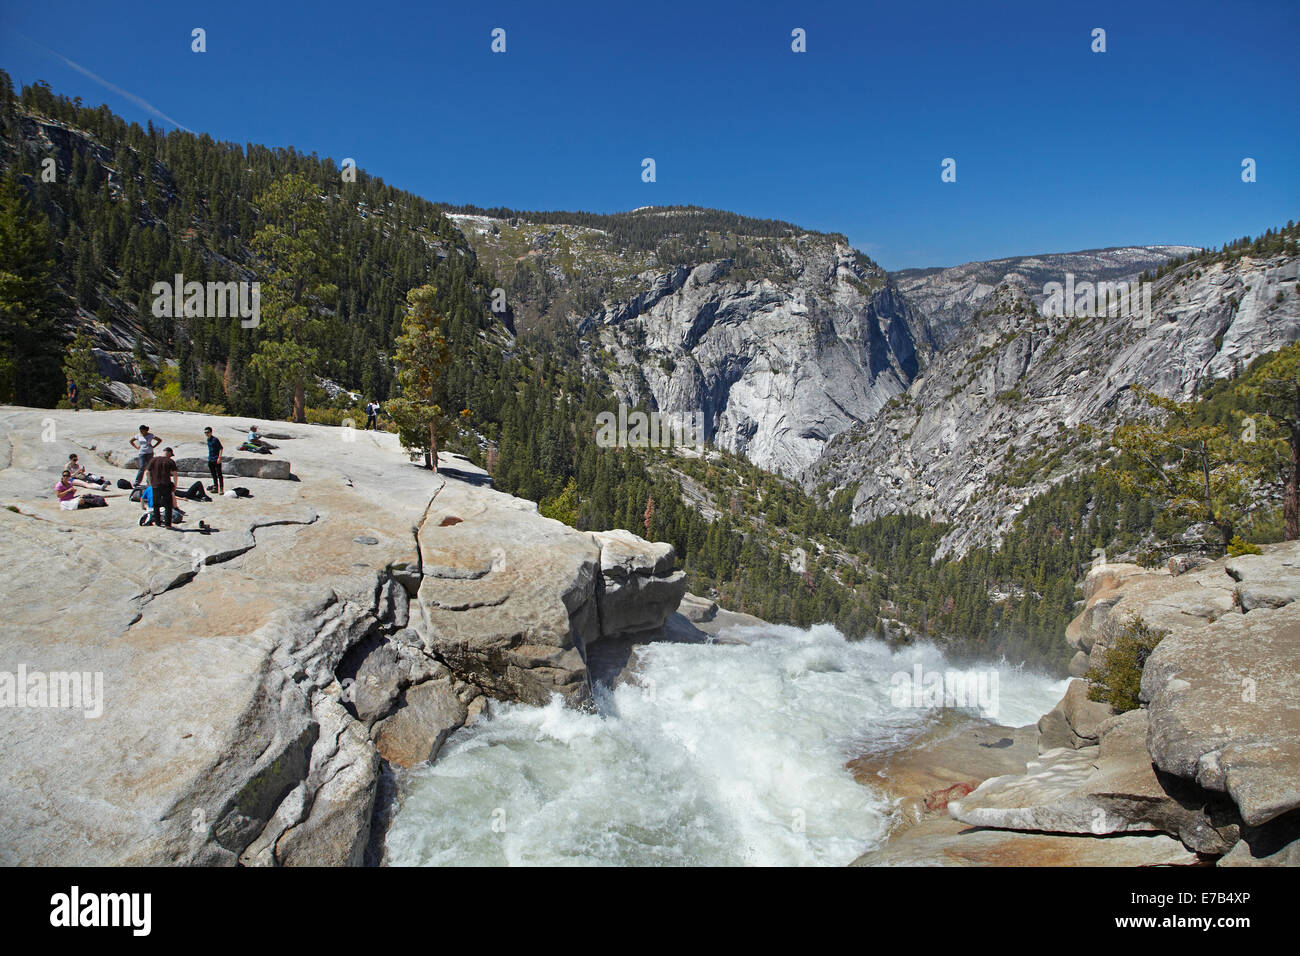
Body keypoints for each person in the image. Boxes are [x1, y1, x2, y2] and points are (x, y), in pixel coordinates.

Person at [146, 446, 179, 529]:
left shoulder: (154, 459)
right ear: (170, 453)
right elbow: (175, 474)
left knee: (156, 504)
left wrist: (150, 483)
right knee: (168, 505)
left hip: (155, 486)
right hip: (166, 485)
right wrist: (175, 485)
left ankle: (158, 522)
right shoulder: (170, 461)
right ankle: (168, 524)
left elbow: (147, 472)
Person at [204, 426, 225, 494]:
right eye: (205, 432)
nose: (206, 434)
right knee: (213, 474)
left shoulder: (215, 439)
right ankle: (215, 488)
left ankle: (221, 489)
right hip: (210, 459)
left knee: (219, 474)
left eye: (207, 432)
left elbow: (221, 448)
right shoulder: (208, 440)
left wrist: (219, 458)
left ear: (211, 432)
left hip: (216, 459)